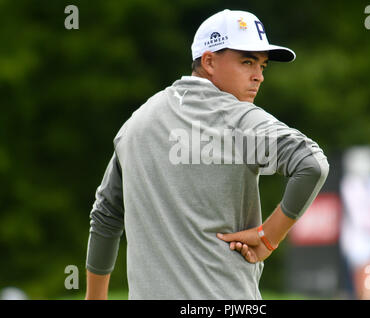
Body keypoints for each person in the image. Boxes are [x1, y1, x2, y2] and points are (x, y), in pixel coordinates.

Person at [85, 9, 329, 300]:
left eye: (263, 66)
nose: (258, 76)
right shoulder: (241, 119)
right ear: (209, 62)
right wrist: (269, 236)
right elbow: (312, 165)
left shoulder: (137, 123)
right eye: (247, 62)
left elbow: (105, 216)